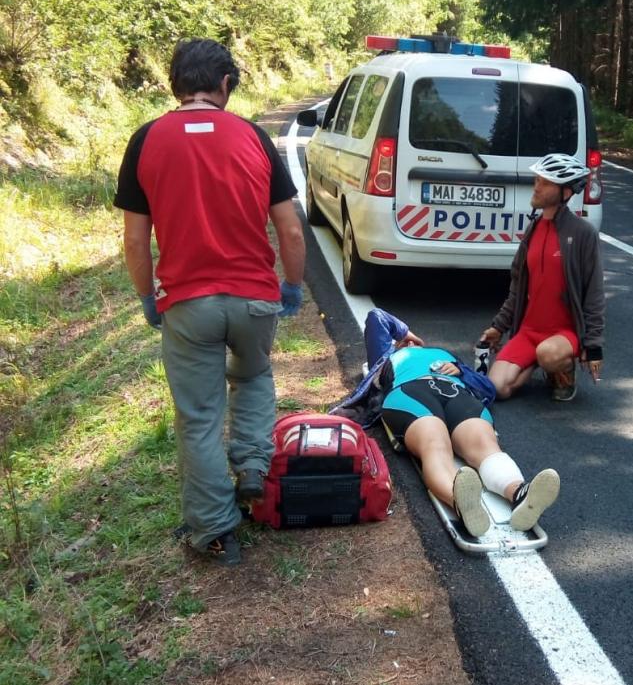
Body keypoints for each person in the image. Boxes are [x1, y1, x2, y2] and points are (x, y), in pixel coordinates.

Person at [113, 38, 306, 566]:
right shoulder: (253, 137)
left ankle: (214, 531)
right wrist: (291, 285)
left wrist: (148, 296)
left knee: (198, 416)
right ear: (225, 84)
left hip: (187, 302)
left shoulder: (146, 139)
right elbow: (289, 229)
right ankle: (250, 467)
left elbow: (134, 241)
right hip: (252, 300)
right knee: (253, 376)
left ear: (176, 82)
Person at [334, 310, 561, 539]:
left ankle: (520, 493)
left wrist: (462, 371)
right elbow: (376, 317)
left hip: (455, 392)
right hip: (410, 392)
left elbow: (488, 388)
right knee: (435, 444)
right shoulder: (386, 356)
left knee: (486, 445)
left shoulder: (444, 354)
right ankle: (461, 501)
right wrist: (406, 335)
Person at [479, 154, 604, 402]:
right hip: (529, 331)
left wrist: (594, 346)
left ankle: (562, 372)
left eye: (545, 183)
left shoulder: (582, 233)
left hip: (564, 334)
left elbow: (594, 292)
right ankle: (536, 360)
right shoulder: (533, 229)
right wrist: (498, 327)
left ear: (565, 193)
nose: (536, 186)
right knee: (497, 388)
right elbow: (517, 287)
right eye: (537, 180)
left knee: (548, 353)